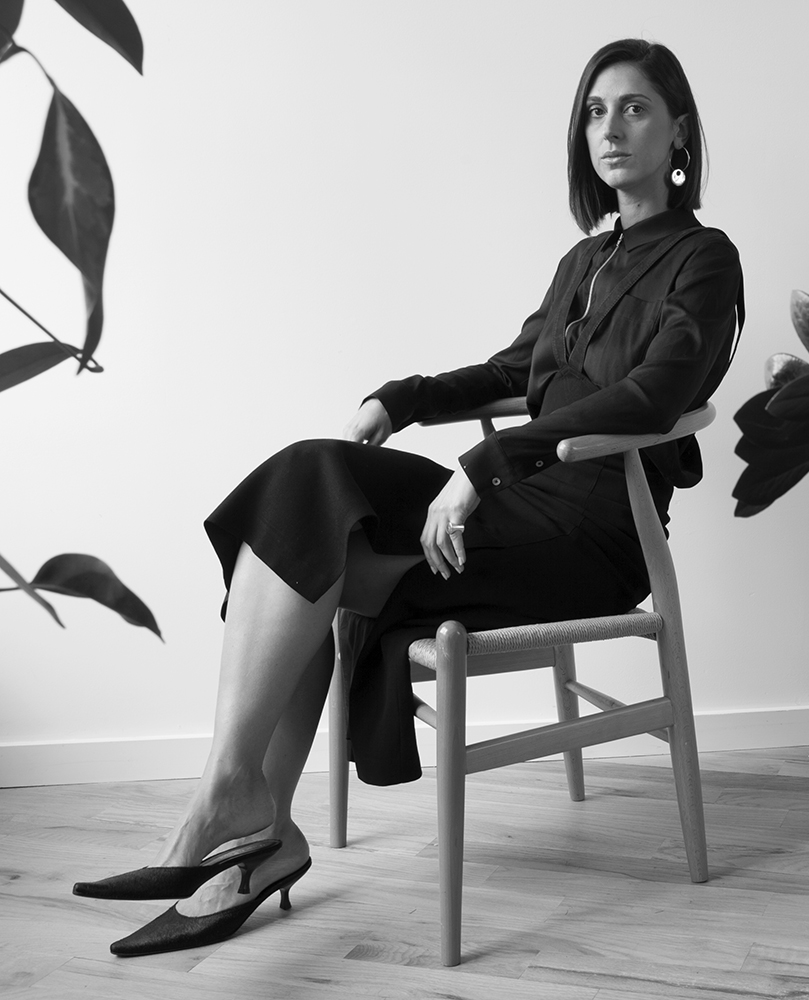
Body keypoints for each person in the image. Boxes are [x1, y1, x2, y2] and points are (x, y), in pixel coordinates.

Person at [72, 37, 744, 956]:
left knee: (319, 548)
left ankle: (235, 820)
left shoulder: (706, 259)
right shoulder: (582, 263)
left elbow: (656, 396)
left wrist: (484, 465)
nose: (610, 128)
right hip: (517, 501)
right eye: (595, 111)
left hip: (593, 529)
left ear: (679, 131)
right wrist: (400, 398)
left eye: (634, 108)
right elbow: (513, 369)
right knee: (308, 482)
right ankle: (242, 808)